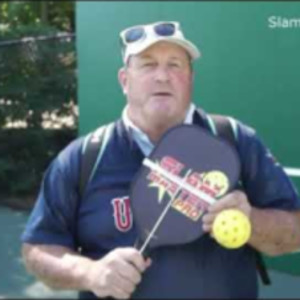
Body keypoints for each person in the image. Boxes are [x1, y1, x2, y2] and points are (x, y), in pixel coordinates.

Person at [21, 21, 300, 299]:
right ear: (124, 80)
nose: (162, 76)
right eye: (147, 64)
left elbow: (295, 231)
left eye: (175, 64)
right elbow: (38, 249)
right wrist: (90, 274)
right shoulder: (82, 158)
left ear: (191, 77)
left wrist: (252, 221)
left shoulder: (235, 139)